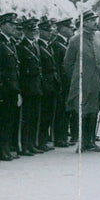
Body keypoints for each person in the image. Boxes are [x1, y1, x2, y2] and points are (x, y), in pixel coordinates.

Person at [65, 10, 100, 152]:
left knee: (94, 111)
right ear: (84, 23)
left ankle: (91, 141)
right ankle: (82, 142)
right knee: (82, 112)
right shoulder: (75, 40)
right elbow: (68, 63)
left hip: (97, 80)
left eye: (95, 20)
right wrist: (77, 77)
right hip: (81, 82)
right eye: (91, 20)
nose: (94, 23)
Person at [0, 12, 21, 161]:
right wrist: (2, 88)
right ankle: (1, 150)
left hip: (12, 87)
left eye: (14, 25)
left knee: (9, 120)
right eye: (10, 25)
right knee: (3, 121)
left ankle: (6, 149)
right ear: (3, 26)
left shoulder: (10, 43)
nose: (13, 27)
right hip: (5, 89)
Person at [17, 18, 43, 156]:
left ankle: (32, 144)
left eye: (35, 30)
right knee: (26, 118)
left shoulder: (35, 46)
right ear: (25, 31)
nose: (33, 33)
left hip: (36, 87)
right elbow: (20, 70)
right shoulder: (20, 47)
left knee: (34, 117)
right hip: (27, 87)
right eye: (30, 30)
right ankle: (25, 145)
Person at [37, 18, 60, 151]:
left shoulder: (48, 46)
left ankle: (44, 140)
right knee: (43, 114)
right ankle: (40, 141)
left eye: (50, 31)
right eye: (46, 31)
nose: (50, 33)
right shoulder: (39, 46)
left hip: (52, 84)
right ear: (40, 31)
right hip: (45, 84)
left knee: (48, 114)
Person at [52, 18, 74, 147]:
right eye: (69, 28)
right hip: (61, 83)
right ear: (63, 29)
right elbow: (57, 66)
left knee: (66, 111)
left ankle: (64, 136)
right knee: (60, 111)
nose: (71, 30)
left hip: (68, 82)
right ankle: (59, 138)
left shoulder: (66, 43)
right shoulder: (56, 44)